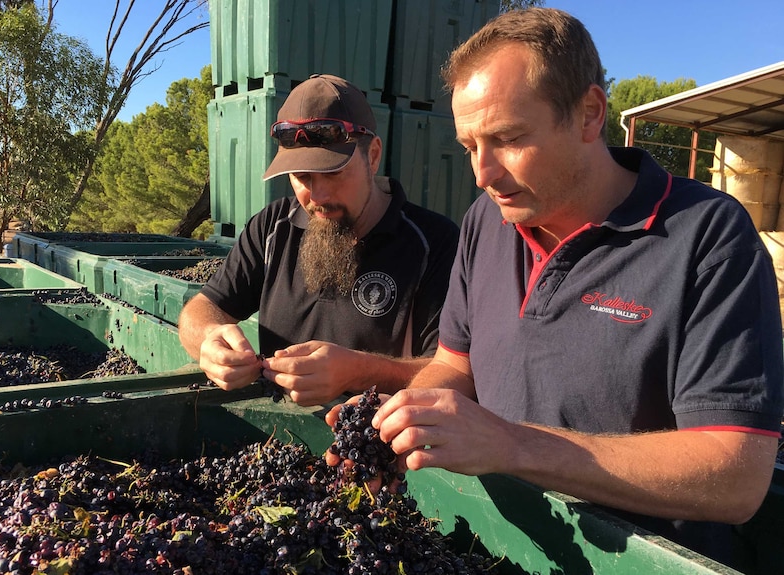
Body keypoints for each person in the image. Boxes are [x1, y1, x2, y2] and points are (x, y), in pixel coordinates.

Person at [330, 7, 784, 567]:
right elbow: (457, 364)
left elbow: (737, 475)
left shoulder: (708, 237)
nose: (482, 173)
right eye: (470, 145)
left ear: (590, 114)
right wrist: (409, 414)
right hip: (499, 547)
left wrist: (512, 444)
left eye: (508, 138)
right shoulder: (485, 222)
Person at [178, 74, 460, 407]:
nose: (317, 195)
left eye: (334, 172)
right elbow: (202, 309)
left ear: (372, 156)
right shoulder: (271, 227)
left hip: (377, 443)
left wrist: (358, 371)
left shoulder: (434, 243)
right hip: (279, 441)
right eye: (301, 177)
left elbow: (454, 373)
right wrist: (209, 340)